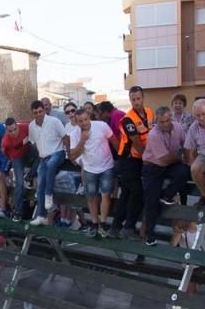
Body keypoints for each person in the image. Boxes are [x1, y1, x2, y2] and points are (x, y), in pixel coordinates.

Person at [140, 106, 190, 245]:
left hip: (170, 163)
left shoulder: (178, 127)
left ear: (171, 119)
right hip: (153, 166)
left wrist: (188, 160)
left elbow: (186, 145)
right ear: (157, 121)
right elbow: (164, 159)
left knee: (185, 172)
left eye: (167, 120)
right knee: (151, 201)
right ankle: (150, 235)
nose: (165, 124)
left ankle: (167, 195)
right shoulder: (153, 134)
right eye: (161, 122)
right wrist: (181, 158)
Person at [111, 87, 155, 237]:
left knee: (127, 194)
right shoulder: (127, 119)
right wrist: (149, 158)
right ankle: (128, 226)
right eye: (133, 99)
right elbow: (136, 142)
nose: (136, 102)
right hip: (128, 160)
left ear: (143, 98)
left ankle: (116, 226)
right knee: (136, 192)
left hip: (140, 159)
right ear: (130, 100)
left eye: (138, 98)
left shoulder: (149, 112)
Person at [68, 107, 115, 238]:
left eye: (85, 119)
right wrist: (82, 140)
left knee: (106, 194)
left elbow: (114, 140)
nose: (84, 123)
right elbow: (72, 155)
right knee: (91, 197)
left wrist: (120, 158)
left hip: (106, 165)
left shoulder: (101, 126)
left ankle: (104, 223)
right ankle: (94, 223)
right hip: (89, 168)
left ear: (89, 117)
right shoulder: (74, 134)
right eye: (81, 121)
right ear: (77, 122)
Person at [28, 100, 67, 226]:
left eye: (40, 111)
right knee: (40, 187)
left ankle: (49, 195)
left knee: (51, 165)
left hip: (58, 152)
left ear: (44, 110)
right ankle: (41, 215)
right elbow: (33, 142)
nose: (38, 114)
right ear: (32, 113)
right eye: (35, 113)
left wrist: (69, 154)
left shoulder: (54, 121)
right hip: (44, 157)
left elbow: (65, 137)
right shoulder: (31, 126)